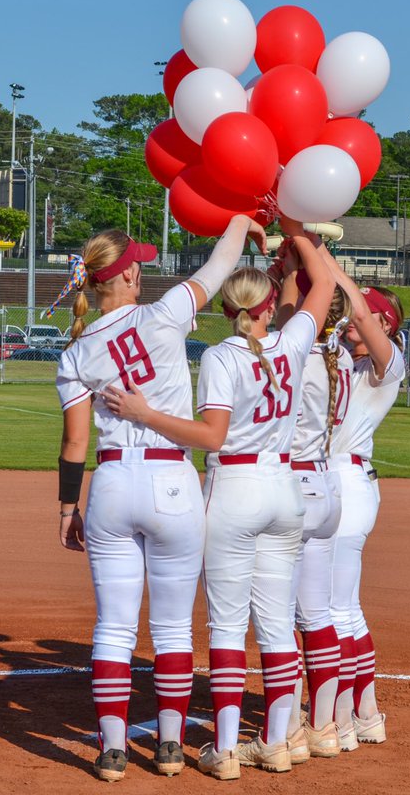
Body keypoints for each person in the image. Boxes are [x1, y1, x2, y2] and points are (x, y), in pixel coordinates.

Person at [104, 228, 334, 780]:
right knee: (276, 625)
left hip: (235, 487)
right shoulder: (293, 342)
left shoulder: (218, 357)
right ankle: (276, 742)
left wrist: (145, 415)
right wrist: (299, 236)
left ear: (227, 309)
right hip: (285, 489)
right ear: (268, 306)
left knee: (228, 628)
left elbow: (212, 435)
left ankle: (226, 750)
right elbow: (324, 283)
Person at [50, 215, 265, 782]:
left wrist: (68, 508)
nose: (142, 271)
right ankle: (170, 747)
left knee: (113, 628)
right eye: (138, 265)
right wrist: (242, 222)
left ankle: (112, 752)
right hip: (172, 480)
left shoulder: (75, 353)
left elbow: (75, 443)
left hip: (112, 483)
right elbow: (220, 265)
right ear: (128, 276)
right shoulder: (165, 312)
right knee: (172, 629)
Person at [270, 226, 354, 764]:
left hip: (294, 485)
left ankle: (287, 732)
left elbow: (286, 319)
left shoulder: (297, 352)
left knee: (279, 618)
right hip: (327, 484)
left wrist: (287, 271)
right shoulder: (339, 354)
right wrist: (298, 263)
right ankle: (324, 727)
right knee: (318, 616)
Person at [318, 246, 406, 748]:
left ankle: (342, 720)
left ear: (384, 324)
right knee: (342, 607)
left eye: (366, 313)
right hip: (330, 481)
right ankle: (365, 712)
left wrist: (320, 247)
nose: (354, 317)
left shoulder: (386, 365)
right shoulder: (340, 358)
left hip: (349, 485)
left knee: (334, 609)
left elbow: (354, 308)